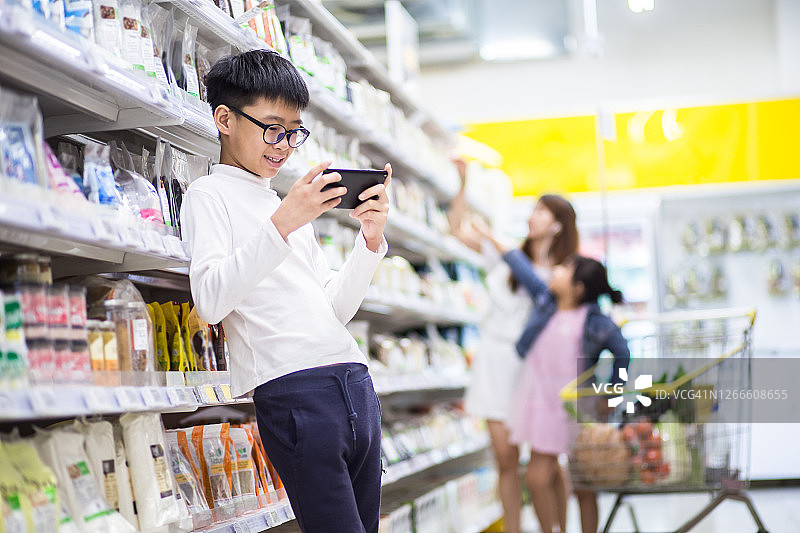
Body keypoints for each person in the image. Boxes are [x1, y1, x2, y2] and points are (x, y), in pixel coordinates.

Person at [180, 50, 391, 533]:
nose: (284, 145)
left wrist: (370, 240)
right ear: (225, 119)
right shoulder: (208, 196)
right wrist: (283, 223)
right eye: (274, 128)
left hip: (354, 383)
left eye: (294, 132)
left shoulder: (285, 202)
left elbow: (335, 309)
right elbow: (210, 299)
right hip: (295, 392)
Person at [449, 161, 579, 533]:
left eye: (541, 211)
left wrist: (496, 240)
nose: (532, 216)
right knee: (505, 460)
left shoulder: (562, 269)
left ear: (557, 224)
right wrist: (462, 184)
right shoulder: (506, 253)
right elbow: (457, 230)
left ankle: (556, 528)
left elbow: (542, 291)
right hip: (494, 362)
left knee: (547, 462)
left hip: (536, 370)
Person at [499, 247, 631, 533]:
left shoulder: (596, 322)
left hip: (578, 409)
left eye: (564, 269)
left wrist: (612, 392)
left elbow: (623, 354)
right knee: (536, 478)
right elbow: (522, 269)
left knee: (584, 483)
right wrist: (489, 238)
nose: (555, 271)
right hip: (542, 403)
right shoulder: (547, 303)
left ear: (578, 287)